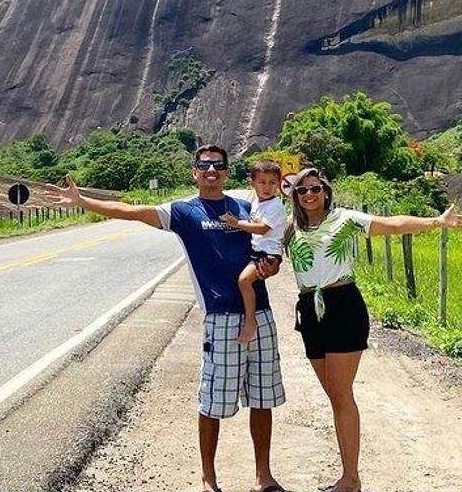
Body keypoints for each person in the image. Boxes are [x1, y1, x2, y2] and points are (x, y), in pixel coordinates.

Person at [43, 144, 286, 492]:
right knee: (212, 401)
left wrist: (273, 267)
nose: (211, 170)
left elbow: (272, 241)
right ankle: (209, 478)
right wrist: (84, 202)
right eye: (204, 165)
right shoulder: (184, 211)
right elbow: (129, 210)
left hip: (259, 311)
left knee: (262, 398)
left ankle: (264, 476)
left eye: (218, 165)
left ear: (227, 172)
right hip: (219, 318)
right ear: (195, 172)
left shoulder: (247, 207)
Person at [285, 167, 462, 492]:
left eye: (315, 188)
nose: (309, 194)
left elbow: (393, 225)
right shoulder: (291, 229)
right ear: (295, 197)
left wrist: (438, 221)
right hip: (309, 310)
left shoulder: (343, 219)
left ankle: (350, 479)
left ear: (326, 191)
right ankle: (348, 476)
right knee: (334, 396)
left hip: (342, 306)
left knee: (341, 395)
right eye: (302, 190)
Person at [220, 158, 289, 345]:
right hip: (258, 252)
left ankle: (251, 322)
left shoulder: (275, 205)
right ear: (253, 183)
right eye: (262, 182)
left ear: (279, 183)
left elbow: (262, 228)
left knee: (244, 281)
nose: (267, 187)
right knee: (244, 280)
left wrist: (237, 224)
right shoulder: (258, 203)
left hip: (267, 255)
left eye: (272, 182)